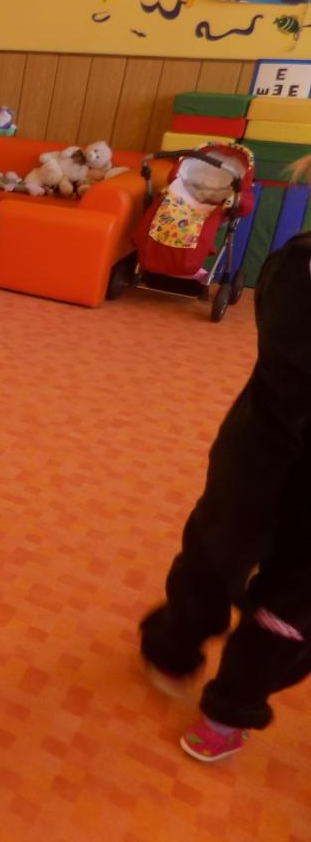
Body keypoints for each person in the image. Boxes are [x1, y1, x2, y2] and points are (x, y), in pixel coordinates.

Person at [140, 227, 311, 762]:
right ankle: (179, 648)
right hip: (261, 451)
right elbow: (288, 365)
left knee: (289, 601)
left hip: (272, 461)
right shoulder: (299, 263)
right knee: (218, 557)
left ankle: (226, 701)